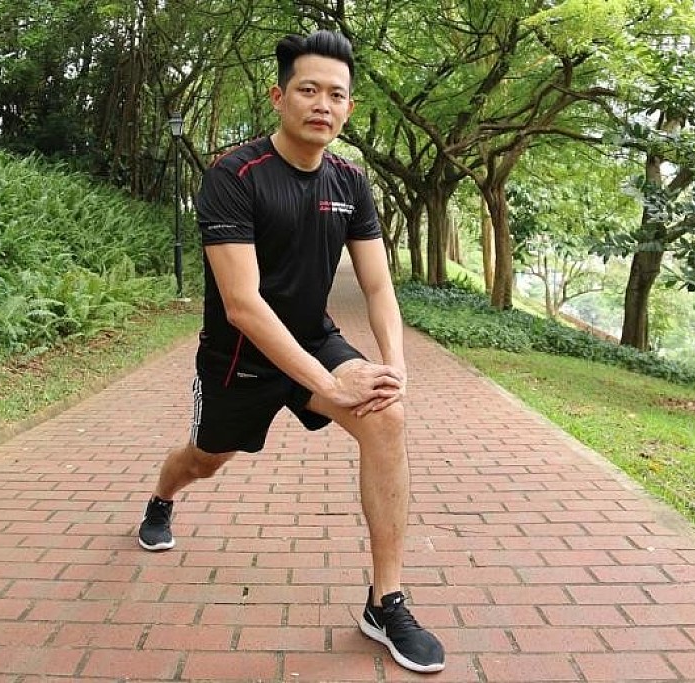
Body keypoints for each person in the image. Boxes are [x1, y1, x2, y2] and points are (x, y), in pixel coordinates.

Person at [138, 29, 445, 674]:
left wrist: (393, 366)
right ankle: (162, 498)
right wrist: (329, 386)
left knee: (386, 416)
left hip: (313, 339)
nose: (322, 104)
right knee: (203, 460)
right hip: (240, 358)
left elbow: (377, 285)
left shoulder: (351, 182)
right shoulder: (234, 176)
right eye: (308, 90)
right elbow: (243, 304)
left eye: (336, 94)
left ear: (349, 108)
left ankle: (385, 601)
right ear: (280, 97)